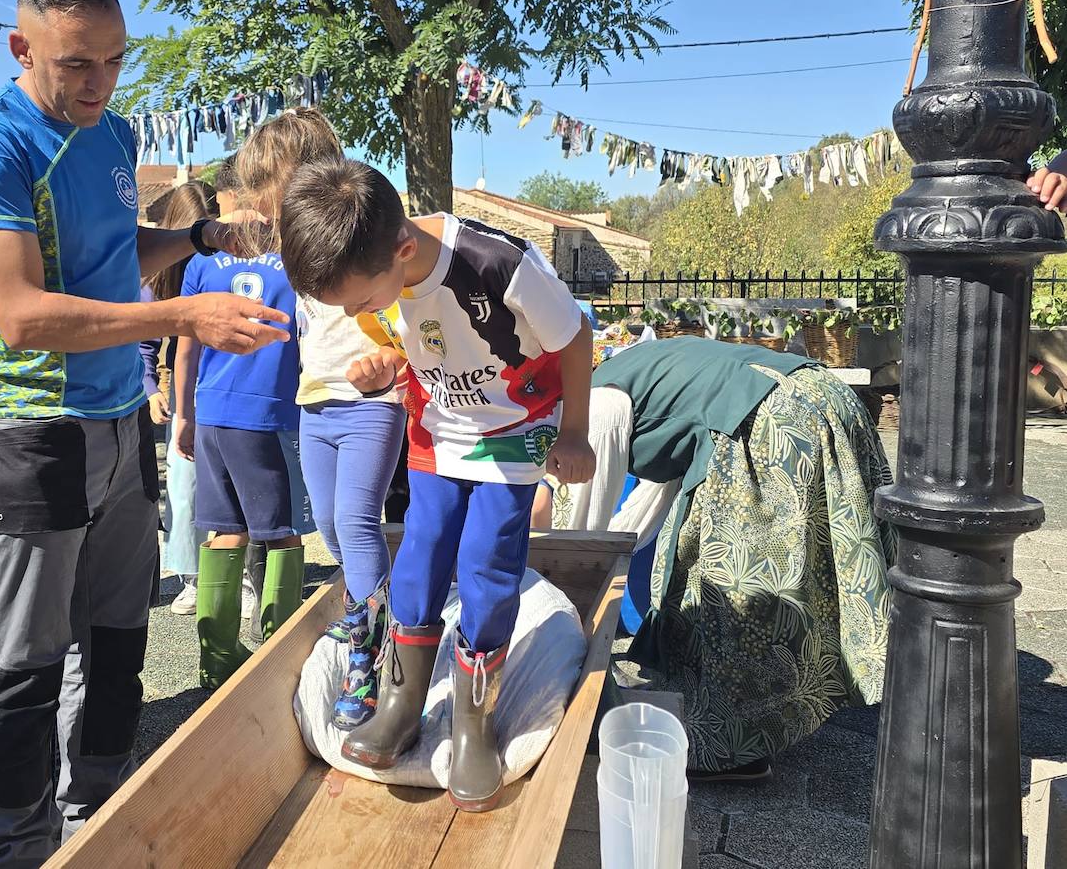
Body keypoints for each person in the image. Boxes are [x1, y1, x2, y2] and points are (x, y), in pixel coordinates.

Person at [0, 0, 288, 868]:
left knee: (121, 641)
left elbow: (111, 250)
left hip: (122, 420)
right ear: (22, 46)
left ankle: (102, 817)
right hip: (30, 432)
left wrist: (196, 239)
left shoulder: (112, 133)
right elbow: (19, 313)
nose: (99, 83)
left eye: (114, 61)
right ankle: (15, 845)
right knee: (24, 663)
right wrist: (182, 313)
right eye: (76, 64)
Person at [278, 158, 595, 812]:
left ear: (401, 248)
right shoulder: (379, 270)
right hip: (440, 423)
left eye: (362, 302)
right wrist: (387, 366)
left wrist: (576, 433)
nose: (362, 312)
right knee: (420, 551)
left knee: (487, 558)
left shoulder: (497, 264)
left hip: (516, 420)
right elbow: (428, 341)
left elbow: (575, 333)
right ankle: (400, 703)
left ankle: (474, 722)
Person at [575, 336, 895, 781]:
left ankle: (733, 749)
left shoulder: (595, 406)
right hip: (829, 395)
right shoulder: (639, 375)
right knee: (818, 560)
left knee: (735, 592)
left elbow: (585, 529)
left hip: (772, 421)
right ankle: (832, 684)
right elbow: (646, 505)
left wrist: (571, 601)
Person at [233, 109, 407, 729]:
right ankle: (371, 606)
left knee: (358, 521)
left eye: (267, 193)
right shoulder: (294, 252)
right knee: (330, 526)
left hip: (368, 406)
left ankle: (372, 651)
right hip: (316, 406)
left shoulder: (354, 241)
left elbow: (404, 330)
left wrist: (386, 365)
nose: (260, 209)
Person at [175, 194, 311, 689]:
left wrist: (183, 414)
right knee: (282, 531)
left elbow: (184, 345)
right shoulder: (294, 255)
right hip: (268, 413)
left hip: (211, 413)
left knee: (226, 530)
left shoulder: (202, 259)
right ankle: (280, 651)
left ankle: (216, 660)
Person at [142, 181, 215, 616]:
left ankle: (238, 572)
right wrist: (152, 392)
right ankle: (191, 575)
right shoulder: (159, 279)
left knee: (225, 486)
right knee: (184, 487)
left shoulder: (218, 267)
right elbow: (144, 345)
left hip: (221, 389)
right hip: (179, 394)